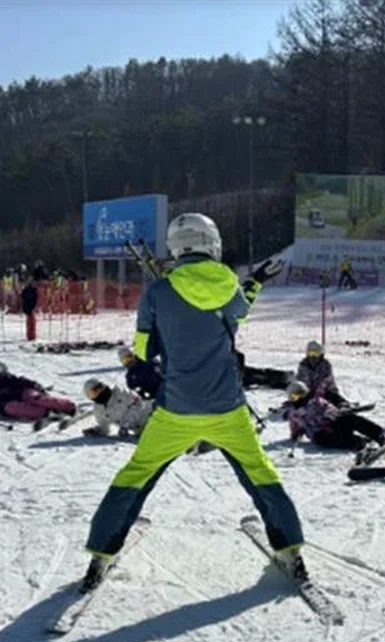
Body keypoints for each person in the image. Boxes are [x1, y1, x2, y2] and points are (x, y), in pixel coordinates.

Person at [82, 212, 307, 592]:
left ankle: (101, 554)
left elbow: (143, 350)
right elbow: (238, 314)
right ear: (212, 244)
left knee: (135, 475)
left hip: (176, 412)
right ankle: (291, 549)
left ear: (175, 247)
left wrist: (167, 322)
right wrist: (256, 282)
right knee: (260, 473)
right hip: (228, 410)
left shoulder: (158, 291)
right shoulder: (230, 284)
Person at [286, 380, 385, 451]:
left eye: (300, 395)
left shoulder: (317, 401)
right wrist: (296, 433)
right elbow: (294, 428)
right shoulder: (293, 414)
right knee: (324, 438)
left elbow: (330, 409)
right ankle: (358, 442)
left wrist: (328, 417)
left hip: (332, 423)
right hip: (319, 433)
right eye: (294, 397)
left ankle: (379, 434)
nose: (298, 399)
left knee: (350, 419)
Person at [0, 361, 76, 422]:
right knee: (12, 408)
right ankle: (48, 412)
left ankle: (67, 406)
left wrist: (35, 385)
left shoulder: (7, 378)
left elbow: (21, 381)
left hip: (22, 392)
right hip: (7, 404)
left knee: (35, 398)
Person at [83, 378, 154, 438]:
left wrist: (125, 425)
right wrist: (96, 431)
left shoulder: (121, 392)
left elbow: (138, 403)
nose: (98, 392)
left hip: (152, 415)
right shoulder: (99, 409)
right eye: (93, 393)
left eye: (99, 387)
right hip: (142, 430)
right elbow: (104, 428)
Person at [296, 340, 348, 406]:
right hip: (309, 394)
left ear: (321, 355)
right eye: (310, 353)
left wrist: (321, 388)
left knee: (331, 395)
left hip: (325, 392)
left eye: (315, 354)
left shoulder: (325, 365)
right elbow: (300, 381)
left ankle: (342, 405)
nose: (312, 357)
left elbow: (327, 379)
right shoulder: (303, 366)